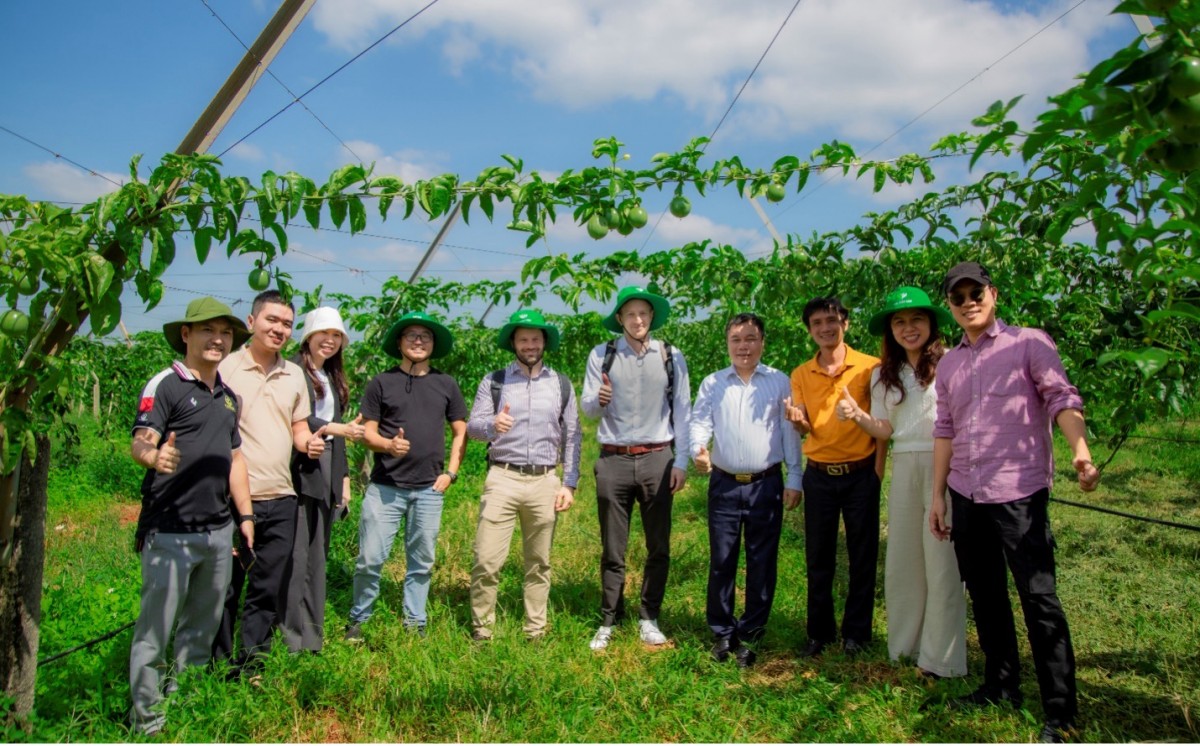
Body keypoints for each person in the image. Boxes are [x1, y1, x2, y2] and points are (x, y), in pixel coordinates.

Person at [930, 262, 1099, 744]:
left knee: (1039, 598)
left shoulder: (1029, 342)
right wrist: (937, 495)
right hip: (966, 491)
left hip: (1018, 493)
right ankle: (1000, 685)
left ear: (993, 293)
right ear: (950, 305)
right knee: (985, 594)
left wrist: (1079, 451)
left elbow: (1060, 398)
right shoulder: (949, 363)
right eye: (958, 295)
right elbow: (945, 429)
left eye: (975, 291)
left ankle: (1061, 712)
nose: (968, 301)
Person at [128, 297, 255, 734]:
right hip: (170, 530)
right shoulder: (166, 384)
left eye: (225, 332)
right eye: (207, 330)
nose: (217, 339)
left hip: (218, 531)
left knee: (200, 629)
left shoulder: (228, 397)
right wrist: (153, 456)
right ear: (186, 334)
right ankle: (148, 720)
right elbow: (141, 440)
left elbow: (236, 460)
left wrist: (246, 517)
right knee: (155, 631)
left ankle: (184, 706)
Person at [834, 287, 967, 678]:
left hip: (944, 462)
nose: (908, 329)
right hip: (905, 464)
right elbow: (886, 429)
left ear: (931, 324)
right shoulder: (882, 374)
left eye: (916, 320)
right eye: (899, 322)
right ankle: (904, 647)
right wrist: (857, 414)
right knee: (903, 561)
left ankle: (941, 659)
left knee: (942, 562)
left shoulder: (951, 362)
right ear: (890, 330)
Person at [212, 290, 325, 673]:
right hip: (230, 499)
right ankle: (219, 664)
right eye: (271, 320)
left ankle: (251, 664)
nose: (279, 329)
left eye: (287, 324)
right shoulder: (224, 368)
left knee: (265, 586)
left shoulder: (293, 374)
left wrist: (307, 442)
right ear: (251, 322)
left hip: (281, 497)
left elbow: (296, 425)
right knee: (226, 587)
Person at [344, 311, 468, 642]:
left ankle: (415, 621)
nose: (418, 341)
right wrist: (388, 445)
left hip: (429, 488)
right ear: (399, 343)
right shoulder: (381, 383)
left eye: (425, 336)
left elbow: (460, 431)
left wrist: (451, 473)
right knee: (370, 559)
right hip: (386, 487)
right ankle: (359, 618)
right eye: (411, 335)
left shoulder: (446, 384)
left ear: (433, 345)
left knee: (422, 561)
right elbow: (366, 432)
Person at [580, 286, 691, 651]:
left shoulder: (671, 356)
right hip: (613, 458)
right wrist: (599, 399)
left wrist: (682, 461)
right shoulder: (602, 355)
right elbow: (588, 410)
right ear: (619, 319)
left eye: (644, 313)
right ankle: (610, 618)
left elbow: (683, 412)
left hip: (658, 457)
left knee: (658, 544)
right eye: (631, 314)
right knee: (613, 546)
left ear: (652, 318)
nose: (638, 320)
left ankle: (649, 616)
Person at [690, 313, 802, 669]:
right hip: (724, 483)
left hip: (765, 482)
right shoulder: (713, 383)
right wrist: (698, 449)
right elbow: (700, 421)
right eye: (737, 339)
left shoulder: (779, 382)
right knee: (722, 560)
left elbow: (789, 433)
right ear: (727, 343)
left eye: (751, 338)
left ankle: (752, 632)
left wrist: (793, 478)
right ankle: (722, 631)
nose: (744, 346)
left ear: (762, 342)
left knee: (761, 561)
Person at [465, 309, 582, 641]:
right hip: (503, 477)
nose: (529, 344)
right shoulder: (495, 381)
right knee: (486, 560)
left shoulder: (561, 384)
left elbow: (573, 435)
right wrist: (492, 425)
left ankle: (535, 631)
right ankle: (482, 631)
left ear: (544, 342)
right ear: (513, 343)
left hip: (545, 480)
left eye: (535, 338)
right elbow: (473, 427)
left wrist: (569, 483)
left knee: (538, 563)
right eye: (523, 339)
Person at [787, 296, 884, 658]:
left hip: (860, 473)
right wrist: (798, 423)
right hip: (820, 475)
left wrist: (876, 472)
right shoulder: (801, 373)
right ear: (810, 330)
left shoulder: (870, 367)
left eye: (831, 320)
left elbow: (880, 422)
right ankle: (820, 632)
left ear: (846, 322)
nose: (825, 328)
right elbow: (803, 423)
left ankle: (857, 633)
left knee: (862, 555)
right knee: (819, 556)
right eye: (817, 324)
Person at [281, 306, 365, 654]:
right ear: (309, 336)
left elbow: (339, 427)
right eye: (324, 334)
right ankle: (291, 638)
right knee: (298, 554)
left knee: (318, 553)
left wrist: (343, 478)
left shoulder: (330, 375)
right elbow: (292, 418)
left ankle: (311, 637)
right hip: (301, 462)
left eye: (336, 337)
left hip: (327, 465)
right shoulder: (293, 372)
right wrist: (332, 429)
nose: (330, 342)